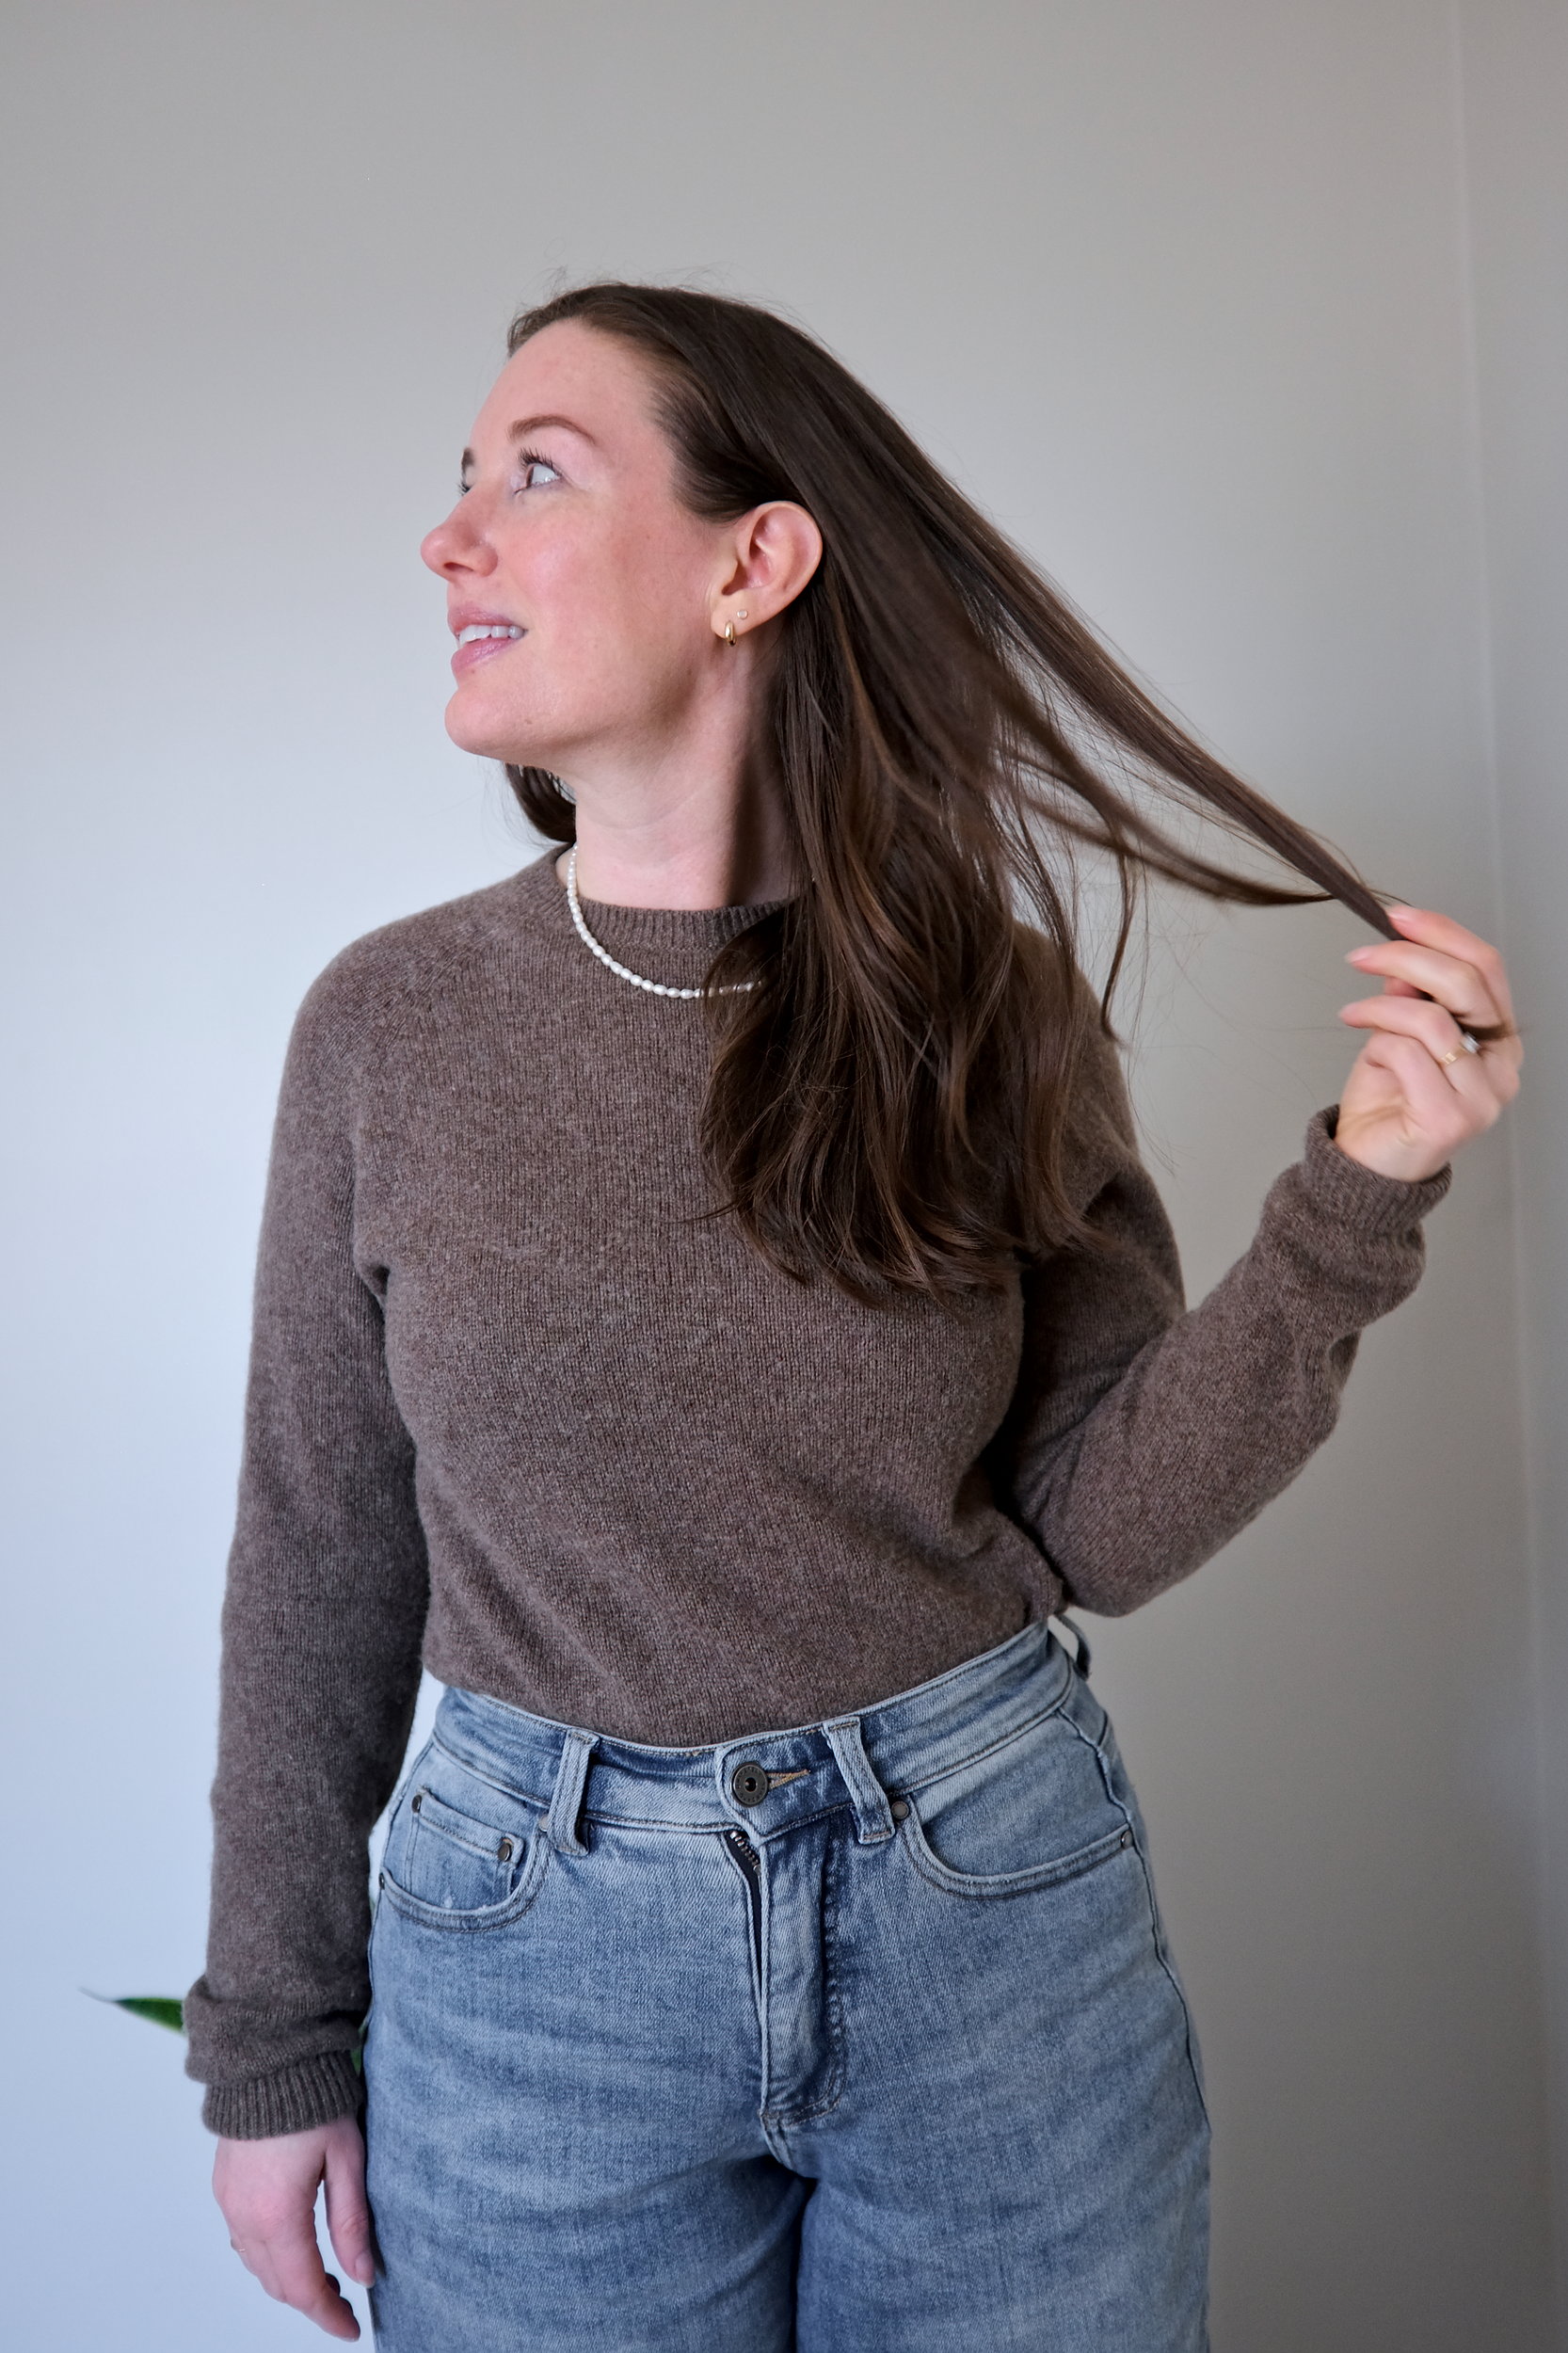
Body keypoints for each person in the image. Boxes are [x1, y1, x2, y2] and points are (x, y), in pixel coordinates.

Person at [186, 281, 1521, 2352]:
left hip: (984, 1913)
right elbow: (315, 1554)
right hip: (533, 1970)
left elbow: (1095, 1519)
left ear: (755, 559)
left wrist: (1354, 1199)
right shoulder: (389, 1026)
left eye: (533, 474)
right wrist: (269, 2046)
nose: (450, 537)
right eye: (455, 486)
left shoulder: (981, 1000)